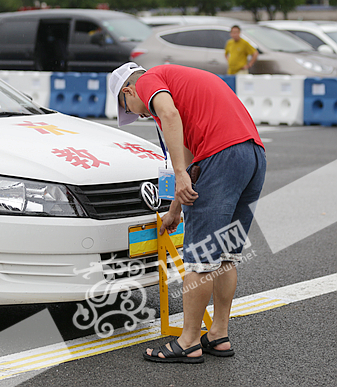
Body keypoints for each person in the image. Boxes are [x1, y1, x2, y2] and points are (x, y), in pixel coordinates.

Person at [109, 62, 266, 363]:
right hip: (253, 156)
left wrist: (179, 174)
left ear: (128, 91)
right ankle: (218, 334)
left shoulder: (150, 80)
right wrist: (174, 210)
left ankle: (189, 341)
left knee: (200, 258)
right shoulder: (184, 81)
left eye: (130, 108)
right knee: (225, 256)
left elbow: (168, 115)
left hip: (222, 157)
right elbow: (193, 159)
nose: (139, 115)